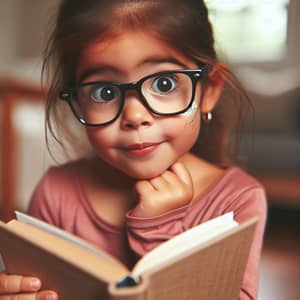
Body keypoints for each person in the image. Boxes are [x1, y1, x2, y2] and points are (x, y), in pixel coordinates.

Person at [0, 1, 267, 299]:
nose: (135, 116)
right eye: (105, 92)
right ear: (77, 101)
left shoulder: (236, 201)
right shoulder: (55, 193)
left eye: (164, 84)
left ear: (209, 90)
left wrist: (161, 230)